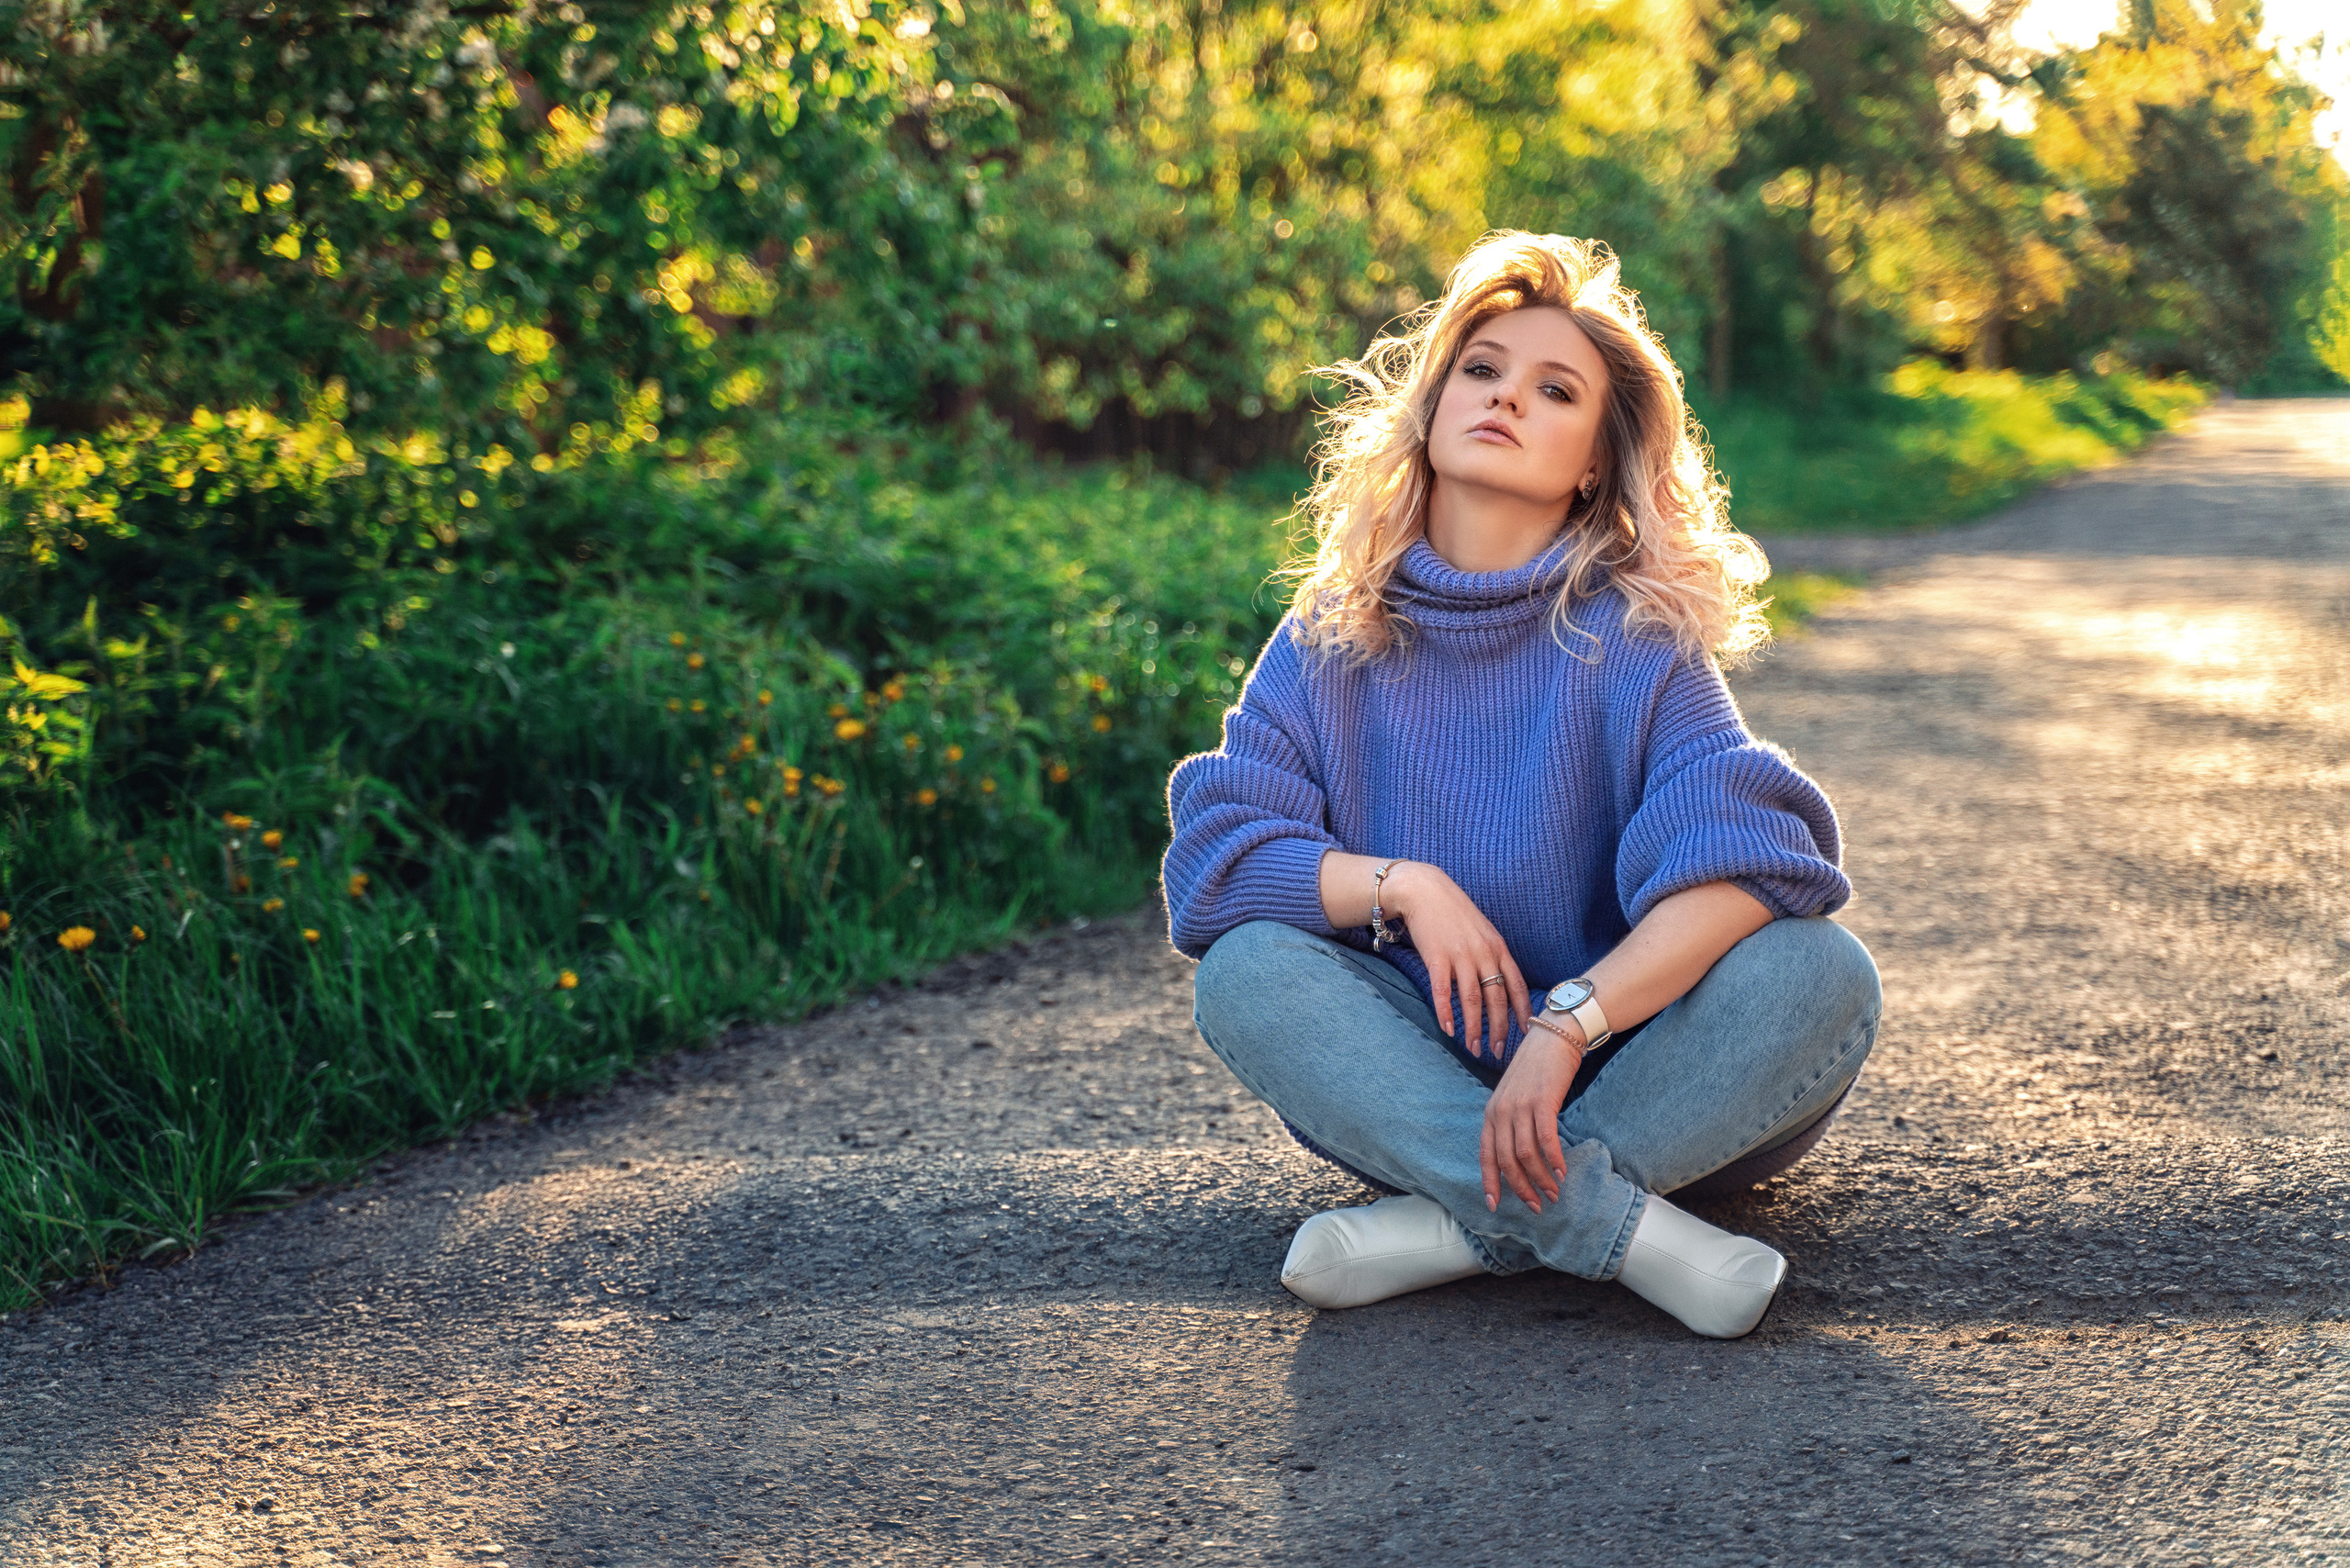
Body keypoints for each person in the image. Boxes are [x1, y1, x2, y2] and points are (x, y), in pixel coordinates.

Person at [1161, 230, 1882, 1339]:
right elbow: (1220, 861)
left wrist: (1565, 1027)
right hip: (1423, 1073)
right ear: (1434, 404)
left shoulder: (1633, 640)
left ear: (1593, 460)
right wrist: (1410, 886)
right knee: (1248, 970)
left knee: (1817, 968)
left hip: (1651, 1075)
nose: (1504, 399)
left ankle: (1455, 1226)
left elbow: (1750, 870)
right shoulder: (1328, 638)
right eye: (1481, 369)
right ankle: (1621, 1232)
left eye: (1555, 390)